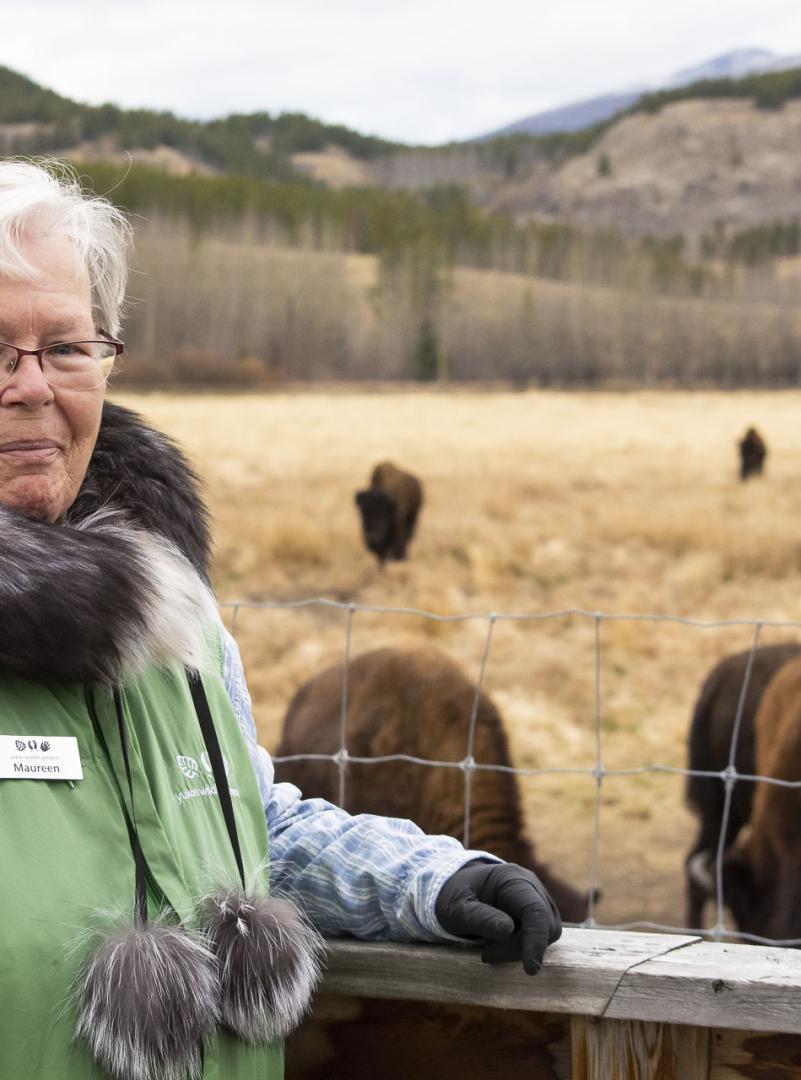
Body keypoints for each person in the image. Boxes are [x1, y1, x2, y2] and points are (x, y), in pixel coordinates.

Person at [0, 159, 562, 1080]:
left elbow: (247, 824)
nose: (34, 386)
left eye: (66, 347)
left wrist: (429, 881)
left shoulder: (169, 614)